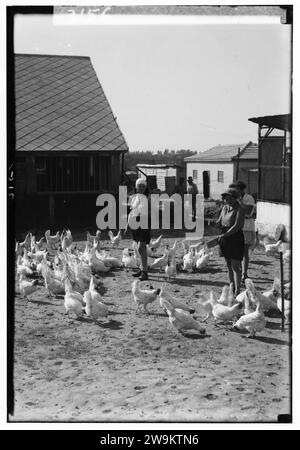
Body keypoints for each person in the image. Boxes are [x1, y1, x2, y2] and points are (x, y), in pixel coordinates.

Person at [216, 188, 245, 296]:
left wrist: (225, 235)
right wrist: (215, 224)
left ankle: (238, 291)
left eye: (230, 198)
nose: (227, 200)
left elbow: (237, 226)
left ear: (236, 198)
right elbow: (220, 221)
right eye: (226, 198)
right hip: (225, 237)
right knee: (228, 265)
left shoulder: (240, 209)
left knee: (235, 266)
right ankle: (231, 287)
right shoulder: (224, 207)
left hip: (235, 237)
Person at [229, 181, 256, 282]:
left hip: (247, 226)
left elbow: (248, 211)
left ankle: (245, 273)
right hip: (237, 226)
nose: (234, 191)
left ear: (241, 190)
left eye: (236, 189)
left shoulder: (249, 198)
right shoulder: (233, 197)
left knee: (244, 252)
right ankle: (239, 272)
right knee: (236, 252)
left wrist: (239, 201)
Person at [127, 178, 151, 281]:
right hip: (135, 223)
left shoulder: (148, 198)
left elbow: (150, 211)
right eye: (139, 186)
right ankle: (142, 269)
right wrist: (128, 223)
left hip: (144, 223)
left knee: (142, 247)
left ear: (145, 187)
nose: (141, 187)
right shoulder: (134, 197)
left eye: (143, 186)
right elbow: (132, 211)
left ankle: (145, 273)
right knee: (138, 248)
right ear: (136, 187)